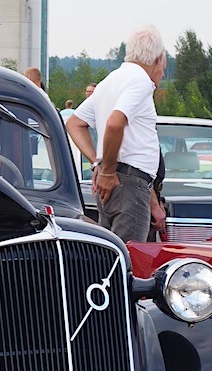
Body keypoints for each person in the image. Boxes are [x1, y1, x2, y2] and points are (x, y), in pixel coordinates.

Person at [66, 25, 167, 243]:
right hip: (128, 187)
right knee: (129, 260)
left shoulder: (109, 81)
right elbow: (114, 124)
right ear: (158, 58)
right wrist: (107, 171)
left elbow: (74, 123)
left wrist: (98, 163)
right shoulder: (140, 81)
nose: (163, 72)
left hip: (116, 185)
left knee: (112, 257)